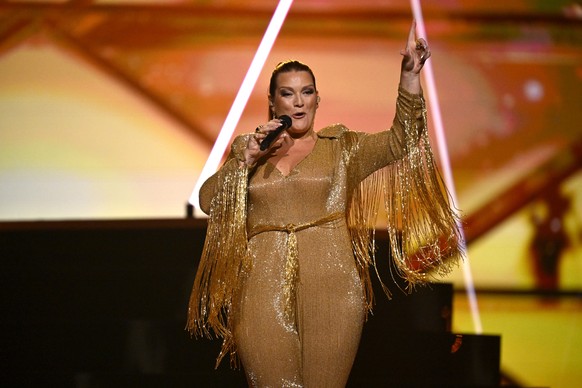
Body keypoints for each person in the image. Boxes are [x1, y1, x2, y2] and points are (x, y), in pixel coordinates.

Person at [187, 20, 463, 387]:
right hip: (259, 286)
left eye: (307, 92)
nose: (298, 102)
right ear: (273, 101)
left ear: (318, 99)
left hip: (332, 284)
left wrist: (410, 77)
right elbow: (208, 201)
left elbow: (401, 141)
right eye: (288, 93)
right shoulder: (249, 148)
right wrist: (245, 162)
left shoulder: (343, 149)